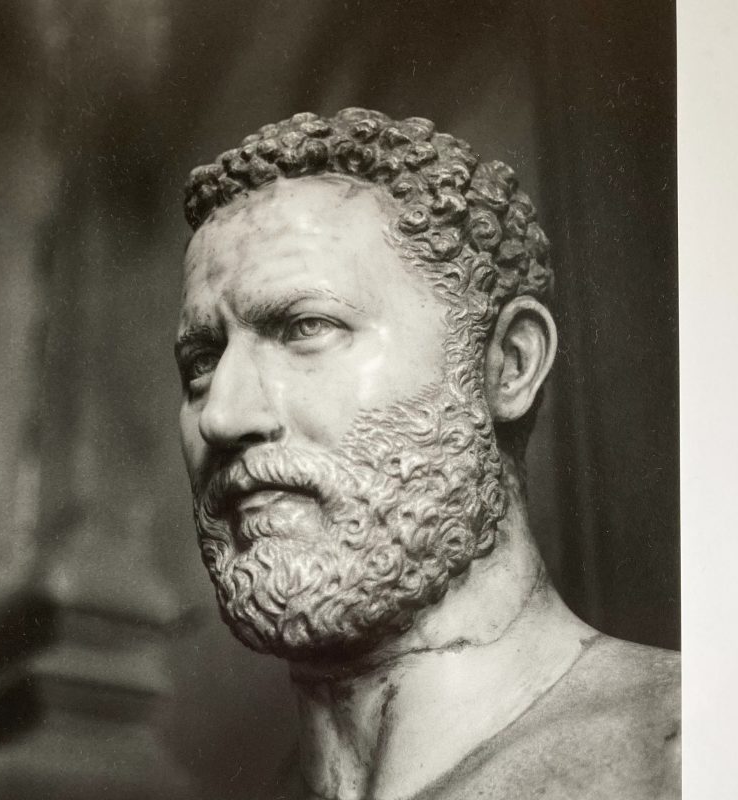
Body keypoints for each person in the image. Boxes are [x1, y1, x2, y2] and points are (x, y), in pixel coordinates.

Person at [175, 108, 680, 800]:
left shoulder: (685, 751)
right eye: (201, 361)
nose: (223, 415)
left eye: (306, 327)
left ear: (508, 364)